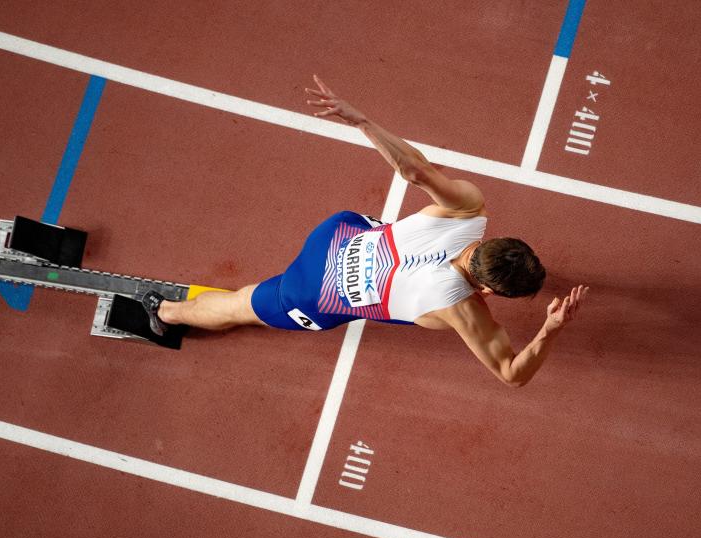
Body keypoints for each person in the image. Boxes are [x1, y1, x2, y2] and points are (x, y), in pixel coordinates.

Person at [142, 76, 588, 387]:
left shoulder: (469, 209)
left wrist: (361, 121)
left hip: (338, 233)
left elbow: (414, 171)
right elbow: (512, 374)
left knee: (396, 225)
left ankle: (183, 310)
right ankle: (167, 314)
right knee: (243, 303)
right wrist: (549, 329)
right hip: (317, 291)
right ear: (491, 292)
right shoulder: (464, 312)